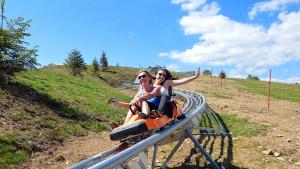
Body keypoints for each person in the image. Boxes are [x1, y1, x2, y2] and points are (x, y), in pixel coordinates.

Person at [133, 67, 200, 118]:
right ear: (156, 75)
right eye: (160, 74)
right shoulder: (151, 85)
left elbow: (180, 81)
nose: (161, 76)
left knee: (164, 96)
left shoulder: (166, 83)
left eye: (164, 75)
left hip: (164, 107)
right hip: (153, 106)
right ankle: (147, 114)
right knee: (143, 101)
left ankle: (159, 113)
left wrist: (195, 77)